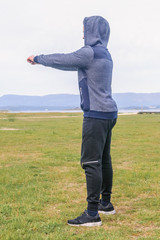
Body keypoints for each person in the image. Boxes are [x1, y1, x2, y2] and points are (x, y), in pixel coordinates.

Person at [27, 15, 118, 227]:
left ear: (94, 31)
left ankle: (92, 214)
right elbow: (70, 63)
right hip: (108, 113)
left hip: (95, 114)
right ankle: (106, 204)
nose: (83, 34)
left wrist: (38, 58)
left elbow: (64, 59)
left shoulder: (89, 52)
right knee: (104, 160)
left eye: (85, 30)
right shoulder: (105, 53)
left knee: (91, 162)